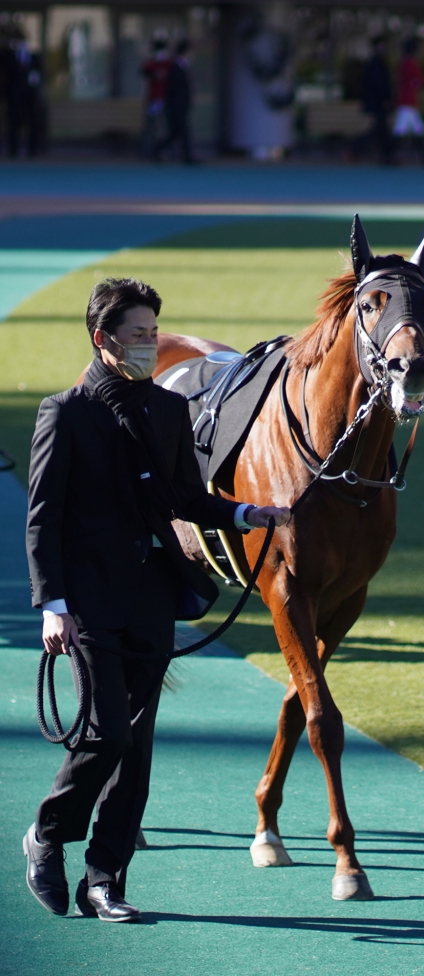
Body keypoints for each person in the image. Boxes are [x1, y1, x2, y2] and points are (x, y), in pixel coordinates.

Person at [24, 277, 290, 922]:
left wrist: (252, 513)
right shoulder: (64, 411)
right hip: (87, 599)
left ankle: (104, 880)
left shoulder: (170, 412)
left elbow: (186, 501)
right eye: (138, 335)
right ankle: (47, 836)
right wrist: (51, 603)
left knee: (136, 744)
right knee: (106, 731)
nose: (149, 345)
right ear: (104, 338)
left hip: (151, 594)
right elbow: (43, 516)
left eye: (152, 333)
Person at [393, 37, 424, 165]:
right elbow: (420, 80)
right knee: (401, 130)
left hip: (407, 101)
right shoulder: (410, 63)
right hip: (408, 102)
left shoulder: (403, 63)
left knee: (418, 129)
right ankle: (389, 156)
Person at [154, 39, 195, 164]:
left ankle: (158, 149)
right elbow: (174, 88)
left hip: (179, 105)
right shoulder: (175, 66)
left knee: (176, 132)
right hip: (176, 105)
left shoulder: (180, 65)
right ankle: (186, 156)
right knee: (180, 131)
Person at [362, 35, 394, 166]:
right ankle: (353, 148)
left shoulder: (380, 62)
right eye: (381, 45)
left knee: (381, 130)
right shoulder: (375, 64)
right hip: (378, 103)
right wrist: (385, 99)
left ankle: (386, 156)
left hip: (379, 103)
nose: (384, 48)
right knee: (379, 130)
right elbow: (378, 85)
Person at [140, 38, 170, 157]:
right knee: (151, 127)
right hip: (153, 100)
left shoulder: (169, 63)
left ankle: (163, 150)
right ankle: (149, 151)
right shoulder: (151, 64)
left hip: (165, 100)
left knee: (164, 127)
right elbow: (143, 71)